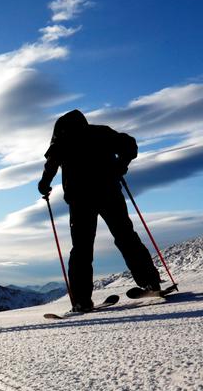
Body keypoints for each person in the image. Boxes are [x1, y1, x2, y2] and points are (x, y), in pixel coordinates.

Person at [37, 109, 161, 312]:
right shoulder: (101, 133)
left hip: (80, 200)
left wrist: (44, 185)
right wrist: (121, 165)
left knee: (82, 249)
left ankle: (81, 300)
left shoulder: (62, 140)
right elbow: (130, 145)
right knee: (125, 236)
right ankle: (150, 282)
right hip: (109, 192)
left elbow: (50, 165)